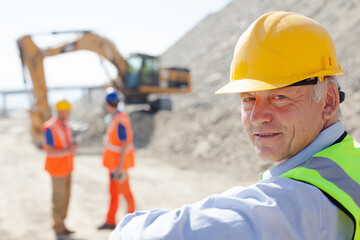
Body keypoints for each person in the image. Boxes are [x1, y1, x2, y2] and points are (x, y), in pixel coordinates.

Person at [109, 11, 360, 240]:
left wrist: (126, 229)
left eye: (279, 97)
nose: (256, 117)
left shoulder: (305, 200)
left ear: (328, 100)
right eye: (248, 99)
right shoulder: (350, 161)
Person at [98, 88, 136, 230]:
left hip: (119, 166)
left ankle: (133, 221)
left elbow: (124, 143)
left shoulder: (119, 120)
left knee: (126, 193)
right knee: (114, 193)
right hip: (114, 165)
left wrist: (119, 167)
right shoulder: (117, 117)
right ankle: (110, 221)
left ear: (107, 104)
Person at [42, 99, 78, 240]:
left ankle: (63, 225)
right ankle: (58, 228)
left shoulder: (66, 125)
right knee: (58, 199)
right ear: (60, 111)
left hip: (67, 168)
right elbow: (49, 149)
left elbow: (65, 143)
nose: (69, 113)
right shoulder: (50, 127)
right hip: (57, 169)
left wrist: (72, 146)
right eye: (67, 111)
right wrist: (68, 149)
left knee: (66, 198)